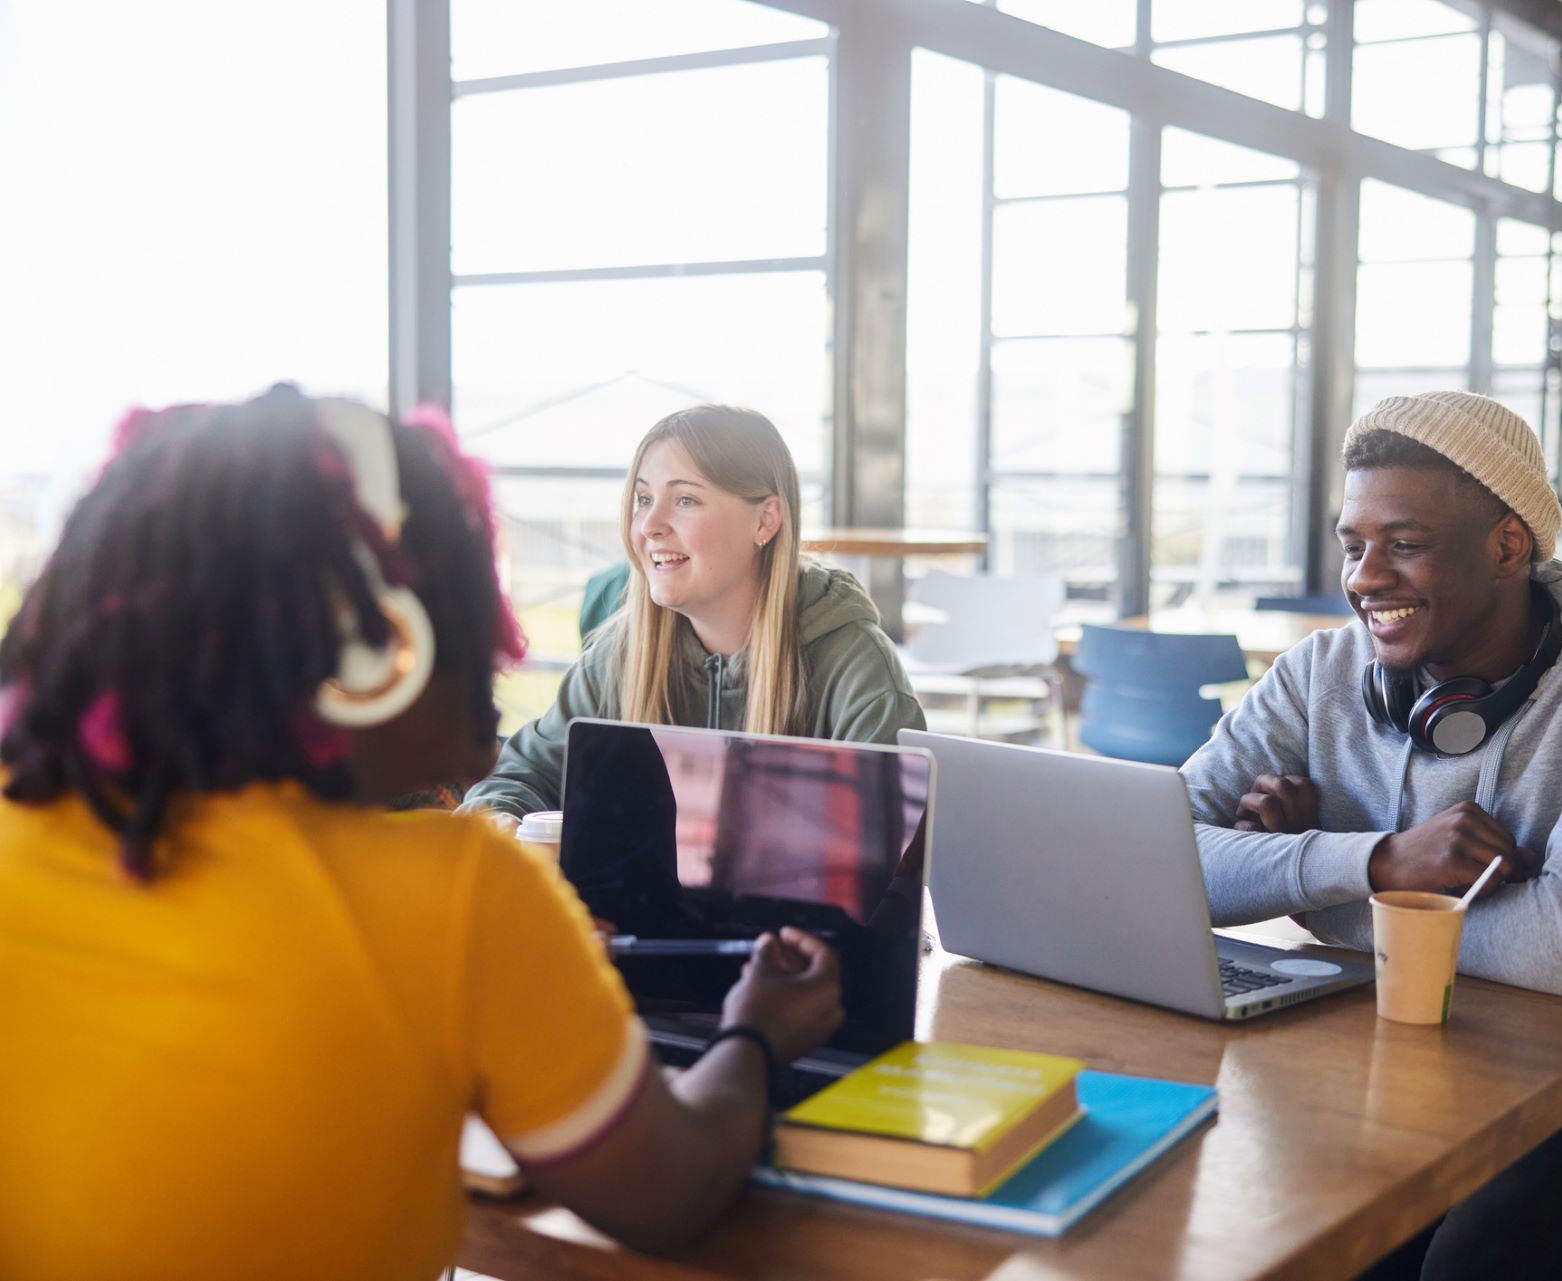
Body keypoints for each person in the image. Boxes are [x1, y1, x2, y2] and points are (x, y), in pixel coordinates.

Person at [0, 387, 844, 1281]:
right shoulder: (458, 889)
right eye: (463, 601)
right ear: (377, 653)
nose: (496, 653)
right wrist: (754, 1031)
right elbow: (671, 1189)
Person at [1181, 391, 1562, 1280]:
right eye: (1353, 545)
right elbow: (1157, 860)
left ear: (1508, 545)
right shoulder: (1318, 671)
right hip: (1357, 1058)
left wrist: (1311, 892)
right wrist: (1374, 857)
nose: (1363, 576)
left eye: (1404, 543)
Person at [461, 404, 925, 822]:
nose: (649, 525)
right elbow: (518, 777)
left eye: (685, 500)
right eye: (644, 499)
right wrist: (498, 817)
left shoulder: (855, 667)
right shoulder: (621, 654)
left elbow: (897, 865)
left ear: (765, 521)